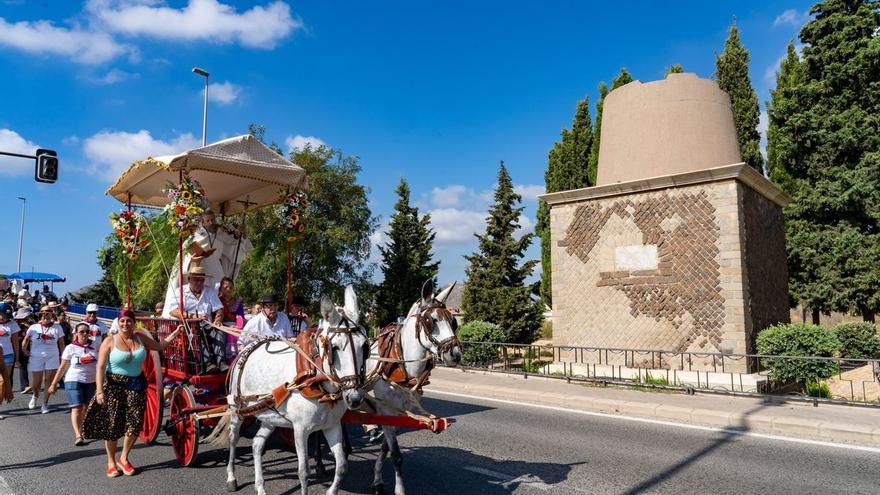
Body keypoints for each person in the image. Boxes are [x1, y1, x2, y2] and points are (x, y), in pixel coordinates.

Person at [83, 308, 180, 477]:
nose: (125, 324)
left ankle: (124, 458)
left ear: (134, 323)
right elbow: (100, 367)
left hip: (136, 385)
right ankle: (111, 462)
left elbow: (159, 346)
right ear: (118, 323)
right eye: (122, 321)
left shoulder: (140, 338)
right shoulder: (109, 341)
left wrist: (174, 334)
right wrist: (99, 391)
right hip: (114, 386)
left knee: (135, 424)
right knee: (112, 425)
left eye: (129, 321)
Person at [164, 266, 227, 372]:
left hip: (208, 323)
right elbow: (173, 311)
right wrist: (192, 316)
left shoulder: (209, 291)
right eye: (196, 280)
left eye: (201, 280)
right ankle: (207, 364)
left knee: (220, 330)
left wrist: (218, 320)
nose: (199, 283)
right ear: (189, 279)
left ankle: (221, 363)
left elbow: (219, 308)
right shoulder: (180, 292)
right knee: (197, 330)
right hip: (189, 325)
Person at [48, 322, 98, 444]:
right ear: (76, 333)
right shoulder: (70, 348)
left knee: (87, 407)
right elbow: (62, 367)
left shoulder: (96, 345)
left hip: (91, 381)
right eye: (82, 332)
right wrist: (54, 383)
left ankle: (84, 428)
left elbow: (102, 364)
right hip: (73, 380)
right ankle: (78, 435)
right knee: (77, 407)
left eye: (87, 331)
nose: (85, 334)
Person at [21, 306, 65, 413]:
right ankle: (35, 395)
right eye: (43, 312)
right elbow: (26, 340)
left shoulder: (57, 327)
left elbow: (61, 343)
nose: (45, 314)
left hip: (52, 356)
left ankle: (45, 404)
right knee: (36, 382)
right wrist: (23, 349)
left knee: (48, 380)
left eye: (48, 312)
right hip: (36, 356)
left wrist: (62, 356)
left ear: (52, 314)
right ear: (41, 314)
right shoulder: (34, 327)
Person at [0, 303, 21, 420]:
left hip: (7, 355)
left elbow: (15, 343)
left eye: (7, 315)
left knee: (2, 382)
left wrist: (17, 358)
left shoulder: (12, 324)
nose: (5, 317)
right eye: (3, 314)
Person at [217, 277, 245, 362]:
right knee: (231, 334)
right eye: (226, 287)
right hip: (222, 326)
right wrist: (226, 326)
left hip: (236, 326)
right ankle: (230, 359)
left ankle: (241, 357)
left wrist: (237, 326)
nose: (228, 289)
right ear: (221, 289)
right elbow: (216, 317)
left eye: (231, 287)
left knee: (243, 333)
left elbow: (241, 317)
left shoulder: (237, 302)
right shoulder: (217, 301)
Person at [13, 307, 32, 393]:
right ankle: (7, 386)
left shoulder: (29, 324)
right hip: (15, 347)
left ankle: (25, 386)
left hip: (25, 347)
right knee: (9, 368)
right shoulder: (16, 324)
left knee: (23, 366)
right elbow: (15, 338)